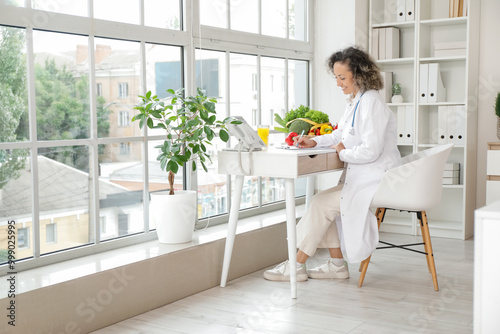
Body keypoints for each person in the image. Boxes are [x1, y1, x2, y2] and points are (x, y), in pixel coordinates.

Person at [264, 46, 401, 282]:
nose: (338, 83)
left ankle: (295, 264)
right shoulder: (356, 101)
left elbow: (370, 150)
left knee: (320, 204)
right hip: (364, 177)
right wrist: (313, 140)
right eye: (336, 77)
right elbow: (340, 135)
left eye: (342, 77)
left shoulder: (371, 104)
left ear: (359, 75)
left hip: (377, 180)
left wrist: (343, 153)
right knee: (324, 204)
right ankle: (337, 265)